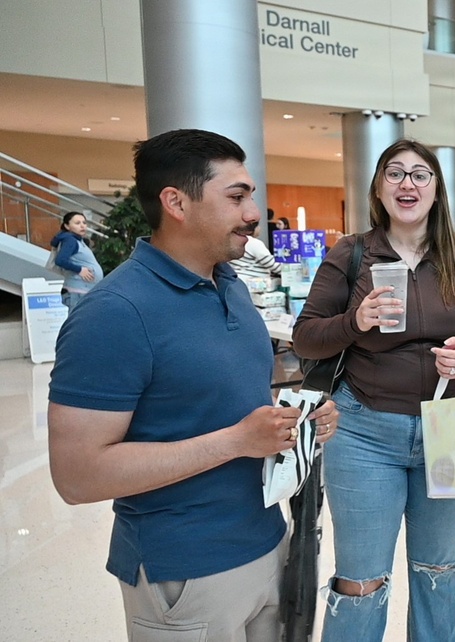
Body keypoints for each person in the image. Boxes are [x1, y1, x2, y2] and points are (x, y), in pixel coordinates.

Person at [46, 129, 339, 641]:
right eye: (237, 196)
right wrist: (235, 441)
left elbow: (220, 404)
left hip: (269, 543)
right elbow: (77, 476)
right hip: (184, 573)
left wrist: (293, 421)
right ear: (176, 202)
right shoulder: (115, 313)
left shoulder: (231, 287)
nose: (253, 213)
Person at [292, 139, 455, 642]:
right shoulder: (352, 253)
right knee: (360, 579)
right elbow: (306, 334)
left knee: (439, 570)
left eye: (419, 175)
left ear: (436, 190)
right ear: (378, 188)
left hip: (454, 427)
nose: (407, 183)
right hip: (365, 431)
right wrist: (355, 319)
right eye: (394, 173)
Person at [49, 211, 104, 312]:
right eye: (77, 223)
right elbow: (60, 260)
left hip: (82, 291)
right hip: (77, 292)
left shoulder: (76, 240)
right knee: (77, 324)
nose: (82, 226)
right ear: (67, 226)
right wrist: (80, 270)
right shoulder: (70, 240)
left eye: (84, 223)